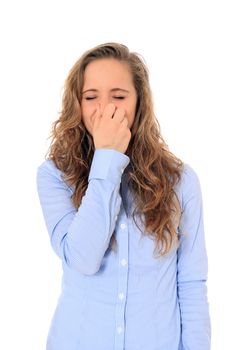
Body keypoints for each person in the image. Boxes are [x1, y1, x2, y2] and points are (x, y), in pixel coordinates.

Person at [36, 42, 211, 350]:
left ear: (139, 102)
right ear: (77, 104)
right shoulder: (54, 175)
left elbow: (191, 284)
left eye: (118, 96)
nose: (105, 108)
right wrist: (107, 158)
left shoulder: (181, 181)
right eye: (91, 97)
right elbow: (82, 259)